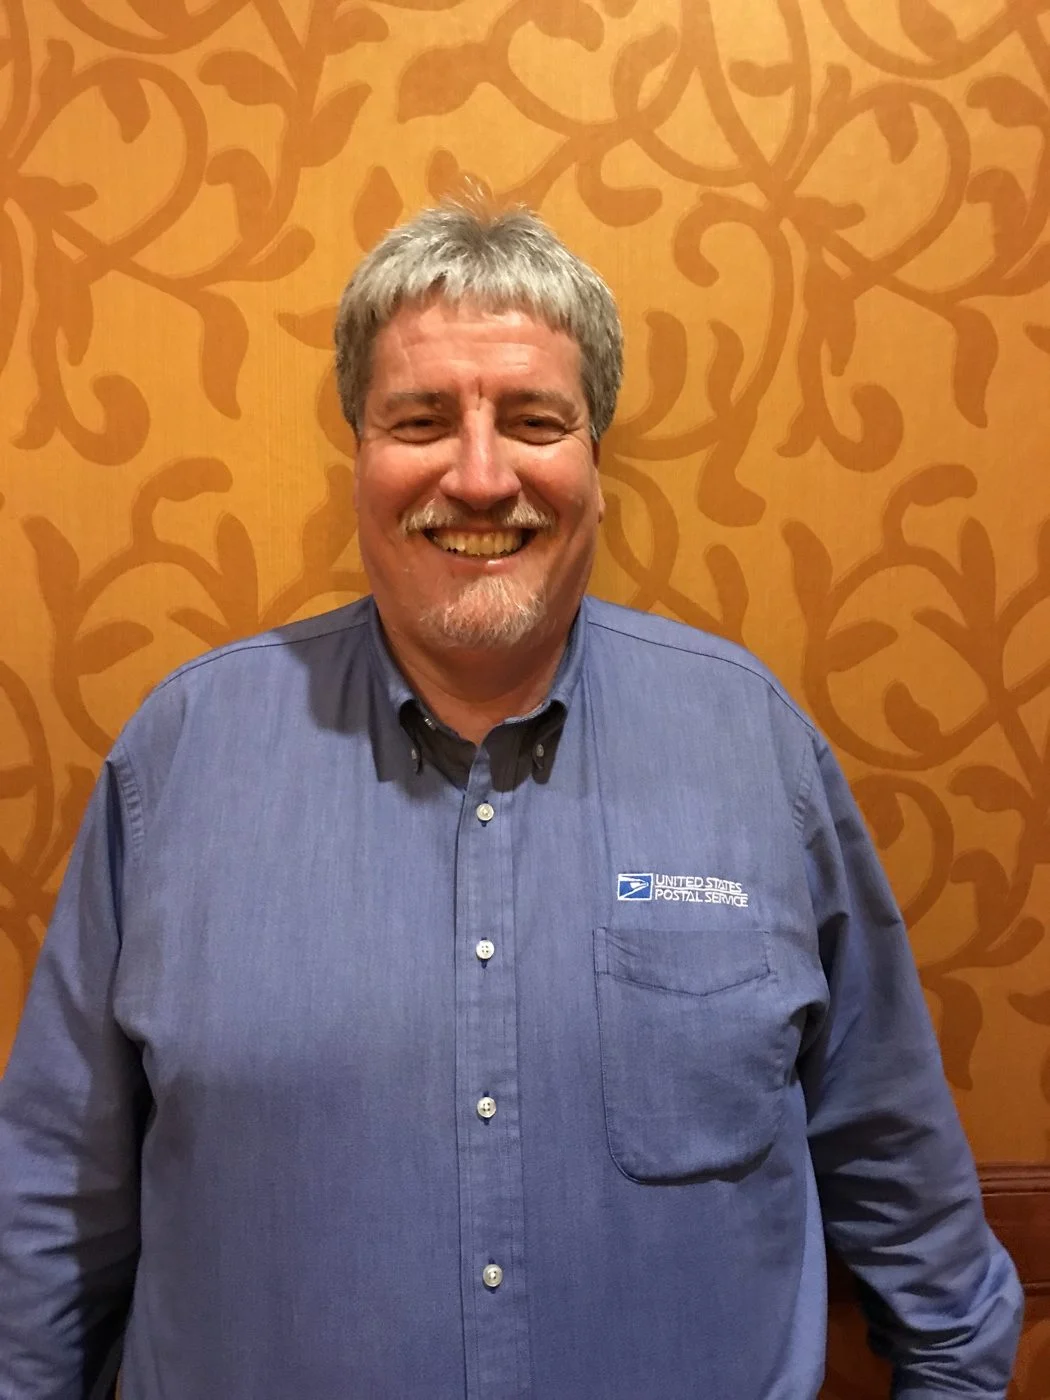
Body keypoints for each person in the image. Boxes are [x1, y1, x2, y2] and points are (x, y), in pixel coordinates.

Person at [0, 202, 1022, 1400]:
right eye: (421, 419)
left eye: (535, 421)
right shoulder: (179, 760)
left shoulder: (757, 749)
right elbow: (46, 1244)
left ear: (595, 459)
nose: (481, 476)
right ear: (358, 450)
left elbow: (933, 1256)